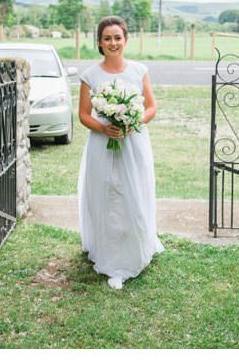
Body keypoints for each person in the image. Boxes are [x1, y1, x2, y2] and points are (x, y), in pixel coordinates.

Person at [76, 16, 164, 290]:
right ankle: (108, 253)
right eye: (107, 38)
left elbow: (151, 107)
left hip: (133, 143)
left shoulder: (139, 71)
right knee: (105, 193)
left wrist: (132, 122)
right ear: (99, 43)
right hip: (102, 146)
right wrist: (104, 129)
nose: (113, 43)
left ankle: (136, 246)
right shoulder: (90, 75)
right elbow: (82, 115)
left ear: (125, 40)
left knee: (133, 192)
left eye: (117, 37)